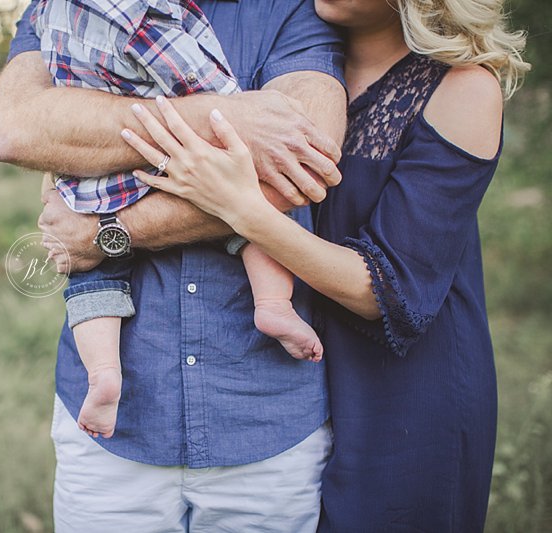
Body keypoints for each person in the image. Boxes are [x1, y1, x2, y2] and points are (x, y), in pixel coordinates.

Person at [118, 0, 529, 530]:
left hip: (407, 394)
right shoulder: (292, 69)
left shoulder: (464, 88)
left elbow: (386, 288)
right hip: (309, 379)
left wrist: (242, 209)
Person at [0, 0, 347, 530]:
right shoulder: (63, 6)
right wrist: (219, 118)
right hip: (115, 437)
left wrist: (108, 232)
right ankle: (107, 373)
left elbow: (301, 164)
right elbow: (17, 130)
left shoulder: (290, 8)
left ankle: (272, 305)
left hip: (263, 418)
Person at [30, 0, 322, 441]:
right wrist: (234, 110)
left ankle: (105, 373)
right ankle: (274, 305)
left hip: (92, 176)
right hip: (175, 161)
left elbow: (45, 106)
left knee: (92, 276)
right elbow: (201, 83)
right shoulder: (139, 10)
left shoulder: (51, 10)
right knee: (249, 214)